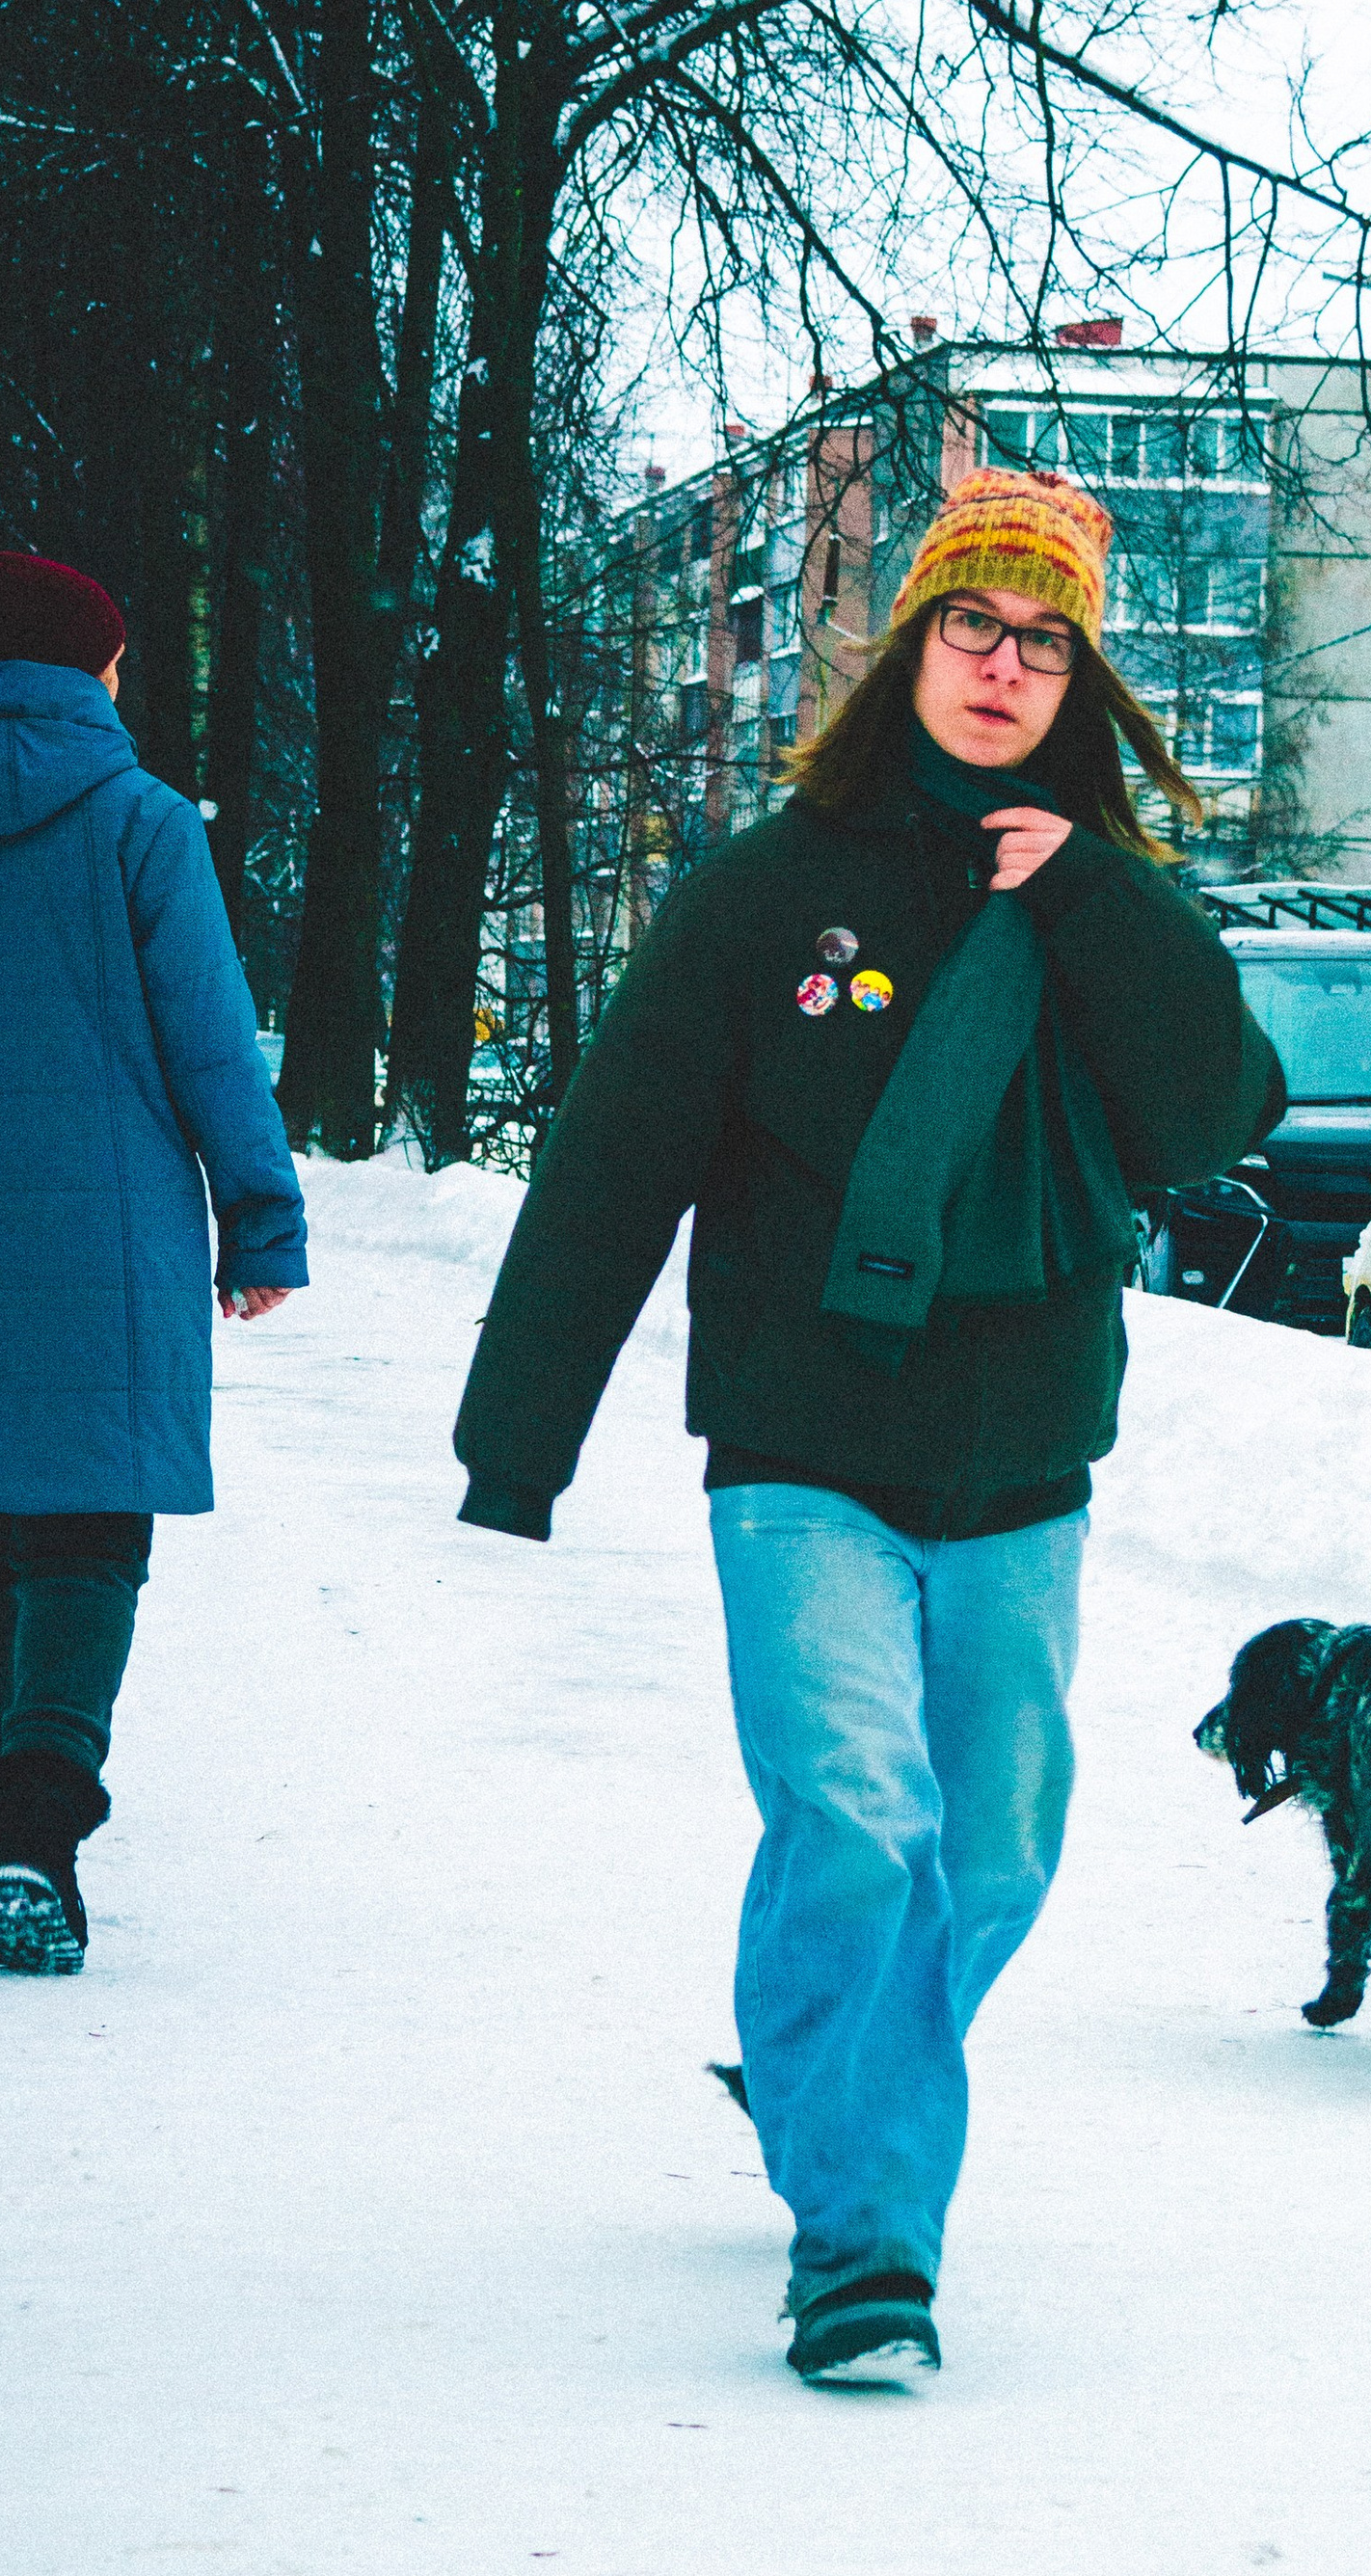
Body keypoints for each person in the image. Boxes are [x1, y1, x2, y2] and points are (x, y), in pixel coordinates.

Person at [453, 467, 1284, 2384]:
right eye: (971, 625)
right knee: (858, 1820)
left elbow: (1204, 1116)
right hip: (802, 1448)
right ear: (907, 644)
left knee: (989, 1857)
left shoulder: (1105, 899)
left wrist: (1086, 889)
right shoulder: (766, 897)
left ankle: (822, 2066)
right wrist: (522, 1437)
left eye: (1044, 642)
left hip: (1023, 1460)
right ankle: (864, 2245)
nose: (1002, 665)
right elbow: (614, 1166)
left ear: (1079, 681)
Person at [0, 550, 307, 1972]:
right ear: (83, 668)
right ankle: (37, 1821)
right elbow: (209, 1034)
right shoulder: (140, 821)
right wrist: (259, 1220)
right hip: (105, 1230)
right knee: (89, 1522)